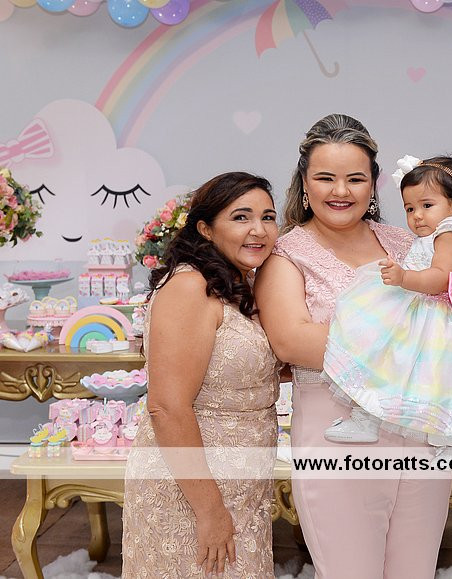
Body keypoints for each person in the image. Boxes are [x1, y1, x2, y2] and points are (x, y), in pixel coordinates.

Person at [255, 114, 452, 578]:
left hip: (421, 431)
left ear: (373, 184)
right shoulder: (286, 255)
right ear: (305, 183)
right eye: (326, 178)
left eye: (355, 179)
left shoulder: (407, 245)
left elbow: (451, 311)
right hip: (336, 434)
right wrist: (415, 337)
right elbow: (293, 341)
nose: (340, 191)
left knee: (416, 571)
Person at [122, 172, 280, 578]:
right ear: (206, 229)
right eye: (241, 217)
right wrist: (209, 510)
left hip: (242, 488)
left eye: (268, 217)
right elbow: (166, 407)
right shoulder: (189, 287)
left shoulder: (237, 285)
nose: (259, 230)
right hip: (192, 492)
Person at [322, 154, 452, 445]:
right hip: (424, 310)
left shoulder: (451, 232)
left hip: (441, 319)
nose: (417, 216)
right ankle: (368, 418)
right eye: (410, 208)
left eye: (426, 205)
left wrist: (404, 278)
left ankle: (448, 440)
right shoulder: (437, 233)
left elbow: (442, 278)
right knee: (390, 364)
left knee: (421, 375)